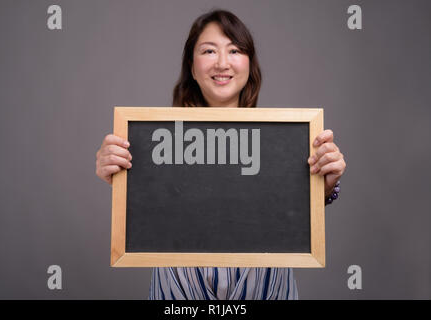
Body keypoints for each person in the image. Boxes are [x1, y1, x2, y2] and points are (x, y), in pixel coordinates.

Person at [95, 9, 346, 300]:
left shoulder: (287, 143)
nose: (223, 63)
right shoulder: (150, 144)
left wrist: (322, 186)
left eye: (235, 50)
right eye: (209, 51)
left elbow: (291, 211)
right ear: (191, 66)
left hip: (266, 288)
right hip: (181, 291)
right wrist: (119, 173)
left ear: (249, 63)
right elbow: (144, 203)